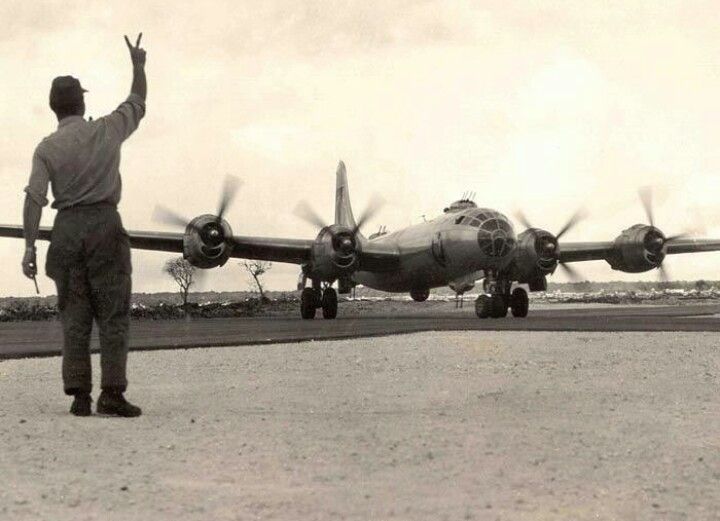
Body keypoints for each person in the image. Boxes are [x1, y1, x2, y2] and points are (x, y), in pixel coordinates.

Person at [21, 34, 147, 417]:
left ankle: (79, 396)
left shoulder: (45, 148)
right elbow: (137, 102)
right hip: (105, 225)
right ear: (83, 102)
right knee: (112, 314)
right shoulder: (106, 130)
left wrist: (29, 247)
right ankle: (112, 393)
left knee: (75, 316)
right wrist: (138, 65)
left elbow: (34, 198)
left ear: (53, 108)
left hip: (66, 229)